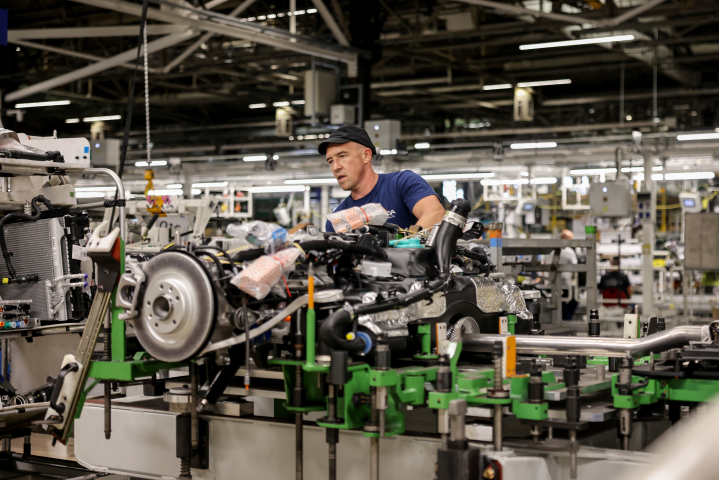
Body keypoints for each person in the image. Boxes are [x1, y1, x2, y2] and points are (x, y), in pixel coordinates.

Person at [319, 125, 446, 232]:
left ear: (366, 156)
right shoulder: (338, 220)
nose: (335, 167)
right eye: (330, 161)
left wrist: (406, 243)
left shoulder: (402, 183)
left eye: (342, 156)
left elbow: (435, 213)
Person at [546, 229, 579, 320]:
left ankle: (563, 319)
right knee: (571, 301)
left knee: (561, 303)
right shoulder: (569, 252)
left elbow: (546, 267)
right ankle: (567, 319)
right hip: (564, 284)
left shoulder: (552, 251)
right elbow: (575, 267)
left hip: (553, 283)